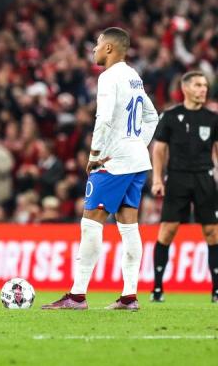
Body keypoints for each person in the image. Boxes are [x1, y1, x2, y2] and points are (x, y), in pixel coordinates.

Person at [42, 27, 158, 311]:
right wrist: (136, 144)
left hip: (113, 161)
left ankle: (77, 295)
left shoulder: (109, 77)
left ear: (109, 48)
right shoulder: (134, 77)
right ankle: (129, 296)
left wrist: (95, 154)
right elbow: (152, 116)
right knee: (129, 226)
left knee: (91, 223)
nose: (93, 50)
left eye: (97, 44)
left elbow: (104, 119)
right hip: (136, 161)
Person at [150, 71, 218, 303]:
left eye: (205, 86)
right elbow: (159, 150)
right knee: (167, 231)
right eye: (198, 85)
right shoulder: (170, 116)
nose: (203, 89)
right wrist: (158, 179)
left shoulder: (212, 118)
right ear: (185, 87)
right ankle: (157, 289)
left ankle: (216, 291)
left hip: (204, 178)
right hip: (177, 178)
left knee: (212, 232)